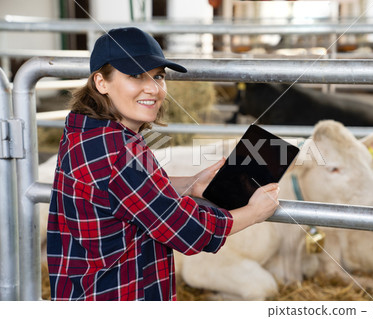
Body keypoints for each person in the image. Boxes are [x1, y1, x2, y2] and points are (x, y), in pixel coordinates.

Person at [47, 27, 279, 301]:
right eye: (135, 75)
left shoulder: (84, 130)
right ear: (101, 83)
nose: (154, 89)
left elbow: (121, 194)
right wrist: (253, 213)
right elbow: (185, 228)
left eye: (158, 76)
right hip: (119, 293)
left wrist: (190, 184)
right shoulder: (119, 151)